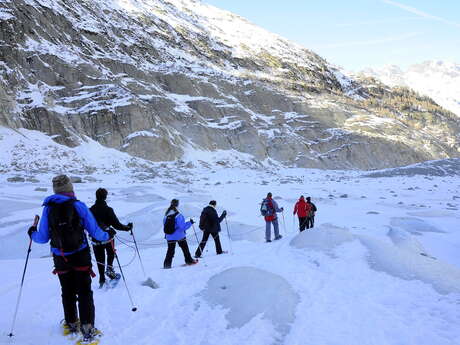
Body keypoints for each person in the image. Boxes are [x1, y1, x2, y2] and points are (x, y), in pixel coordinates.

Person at [27, 175, 112, 343]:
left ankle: (71, 323)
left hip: (60, 258)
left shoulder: (48, 209)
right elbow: (95, 231)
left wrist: (31, 231)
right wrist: (108, 234)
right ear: (70, 189)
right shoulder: (78, 206)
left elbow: (42, 237)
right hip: (80, 256)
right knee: (84, 292)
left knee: (67, 291)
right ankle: (87, 328)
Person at [89, 188, 133, 288]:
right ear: (105, 197)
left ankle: (101, 279)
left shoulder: (90, 210)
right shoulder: (108, 210)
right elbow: (116, 225)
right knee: (111, 253)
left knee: (100, 258)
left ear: (96, 196)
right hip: (108, 238)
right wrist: (127, 228)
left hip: (96, 239)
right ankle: (109, 269)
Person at [163, 199, 198, 269]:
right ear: (177, 205)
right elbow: (182, 227)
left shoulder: (166, 215)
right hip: (179, 236)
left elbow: (165, 225)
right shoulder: (178, 215)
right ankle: (189, 261)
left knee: (170, 251)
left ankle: (167, 265)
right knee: (185, 248)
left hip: (169, 236)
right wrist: (190, 223)